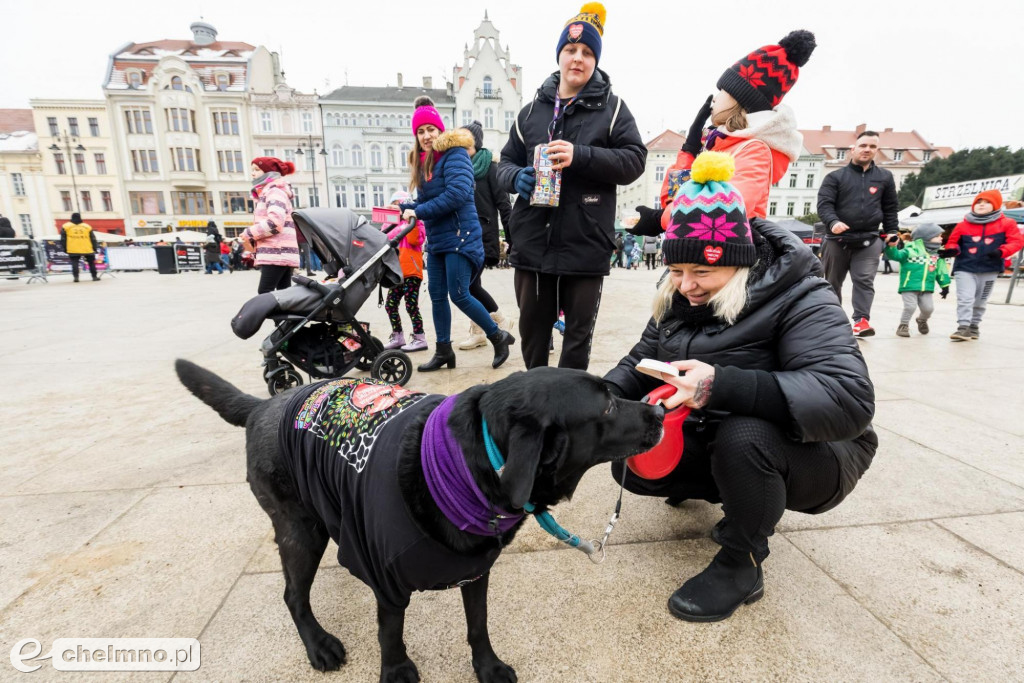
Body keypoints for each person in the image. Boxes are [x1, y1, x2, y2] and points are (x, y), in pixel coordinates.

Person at [603, 152, 876, 623]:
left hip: (819, 448)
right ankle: (729, 490)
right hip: (718, 429)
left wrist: (718, 384)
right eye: (676, 271)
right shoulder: (678, 298)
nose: (686, 285)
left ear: (739, 262)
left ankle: (742, 561)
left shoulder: (802, 295)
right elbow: (637, 365)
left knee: (744, 439)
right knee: (631, 462)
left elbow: (848, 398)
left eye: (702, 273)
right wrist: (593, 402)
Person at [497, 2, 646, 371]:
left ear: (595, 60)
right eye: (571, 50)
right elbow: (503, 165)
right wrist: (517, 177)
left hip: (586, 242)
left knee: (577, 340)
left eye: (587, 52)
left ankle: (571, 417)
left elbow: (634, 161)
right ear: (559, 55)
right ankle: (533, 411)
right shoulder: (531, 112)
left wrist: (582, 155)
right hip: (533, 241)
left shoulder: (613, 109)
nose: (577, 58)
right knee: (533, 336)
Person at [629, 30, 815, 239]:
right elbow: (675, 198)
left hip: (724, 260)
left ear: (740, 99)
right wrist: (689, 151)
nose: (715, 98)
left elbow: (721, 211)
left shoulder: (754, 151)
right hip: (694, 254)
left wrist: (659, 219)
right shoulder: (717, 144)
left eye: (723, 91)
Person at [399, 100, 515, 372]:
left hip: (462, 235)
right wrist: (408, 207)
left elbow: (457, 194)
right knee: (437, 296)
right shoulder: (423, 163)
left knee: (460, 293)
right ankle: (443, 352)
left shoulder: (455, 155)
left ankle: (497, 337)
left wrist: (419, 212)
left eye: (431, 129)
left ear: (440, 131)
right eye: (421, 131)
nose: (426, 136)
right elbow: (428, 199)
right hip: (439, 239)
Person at [817, 130, 899, 338]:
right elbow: (824, 204)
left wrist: (891, 232)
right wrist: (833, 222)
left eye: (872, 147)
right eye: (863, 146)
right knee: (832, 282)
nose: (867, 150)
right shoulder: (835, 177)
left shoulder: (884, 177)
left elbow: (890, 207)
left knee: (864, 280)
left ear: (877, 151)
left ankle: (861, 321)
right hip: (837, 240)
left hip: (869, 239)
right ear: (853, 149)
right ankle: (833, 320)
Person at [456, 120, 516, 351]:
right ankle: (479, 331)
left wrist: (511, 236)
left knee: (468, 287)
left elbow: (504, 204)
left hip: (483, 235)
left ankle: (500, 320)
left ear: (474, 143)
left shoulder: (491, 168)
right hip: (463, 235)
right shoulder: (459, 167)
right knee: (472, 284)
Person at [941, 190, 1024, 341]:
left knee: (980, 300)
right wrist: (951, 250)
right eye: (978, 202)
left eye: (986, 202)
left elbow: (1017, 241)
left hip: (990, 268)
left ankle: (974, 327)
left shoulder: (1007, 223)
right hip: (965, 267)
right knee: (965, 298)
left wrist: (1001, 252)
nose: (981, 205)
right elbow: (952, 241)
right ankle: (963, 327)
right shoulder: (962, 225)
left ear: (996, 205)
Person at [242, 157, 300, 294]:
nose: (253, 173)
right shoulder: (273, 191)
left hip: (277, 251)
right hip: (280, 251)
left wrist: (248, 233)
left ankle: (272, 316)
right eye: (252, 170)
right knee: (283, 294)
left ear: (269, 172)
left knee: (265, 293)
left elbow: (275, 223)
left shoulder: (274, 191)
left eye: (257, 170)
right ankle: (286, 316)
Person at [381, 190, 428, 353]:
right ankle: (398, 335)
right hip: (395, 272)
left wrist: (410, 220)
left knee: (411, 305)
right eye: (393, 204)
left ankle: (420, 337)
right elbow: (383, 239)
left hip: (411, 271)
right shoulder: (389, 223)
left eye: (397, 204)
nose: (396, 208)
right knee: (391, 305)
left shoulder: (415, 220)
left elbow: (417, 240)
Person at [883, 224, 949, 337]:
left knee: (928, 309)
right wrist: (891, 246)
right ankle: (903, 325)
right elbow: (896, 255)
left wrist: (945, 285)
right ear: (926, 237)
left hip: (927, 287)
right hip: (909, 285)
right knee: (910, 306)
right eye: (938, 236)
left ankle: (922, 320)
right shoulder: (910, 250)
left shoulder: (936, 254)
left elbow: (941, 271)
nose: (941, 238)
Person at [60, 212, 99, 282]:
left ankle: (76, 277)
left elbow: (63, 239)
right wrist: (94, 247)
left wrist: (64, 248)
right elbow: (93, 238)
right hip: (87, 247)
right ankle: (94, 276)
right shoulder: (87, 226)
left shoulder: (66, 226)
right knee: (91, 263)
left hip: (73, 248)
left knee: (74, 263)